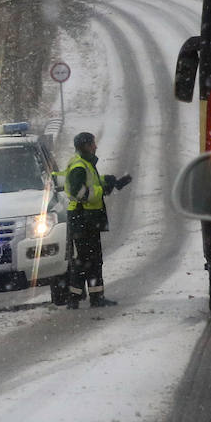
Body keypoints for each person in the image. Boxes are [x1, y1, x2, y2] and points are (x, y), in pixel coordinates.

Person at [65, 132, 131, 309]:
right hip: (83, 218)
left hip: (85, 219)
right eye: (93, 144)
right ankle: (79, 297)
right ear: (86, 146)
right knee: (88, 259)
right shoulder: (79, 165)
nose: (96, 147)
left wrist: (110, 182)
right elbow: (79, 192)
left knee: (90, 259)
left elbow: (89, 184)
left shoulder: (84, 163)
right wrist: (103, 189)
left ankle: (88, 297)